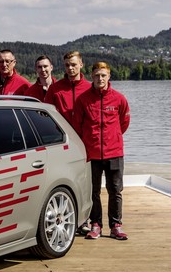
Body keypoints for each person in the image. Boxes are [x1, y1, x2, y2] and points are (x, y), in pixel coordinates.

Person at [73, 62, 130, 240]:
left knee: (115, 190)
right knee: (93, 191)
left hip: (114, 152)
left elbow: (124, 123)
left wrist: (113, 137)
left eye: (103, 75)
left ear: (109, 76)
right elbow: (78, 126)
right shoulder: (83, 99)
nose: (100, 79)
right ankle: (95, 224)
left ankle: (116, 225)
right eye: (97, 75)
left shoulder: (119, 99)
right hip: (92, 153)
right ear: (92, 76)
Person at [44, 50, 92, 125]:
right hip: (62, 133)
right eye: (67, 65)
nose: (70, 68)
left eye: (73, 65)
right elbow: (46, 115)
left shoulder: (90, 88)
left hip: (85, 134)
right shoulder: (54, 89)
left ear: (81, 64)